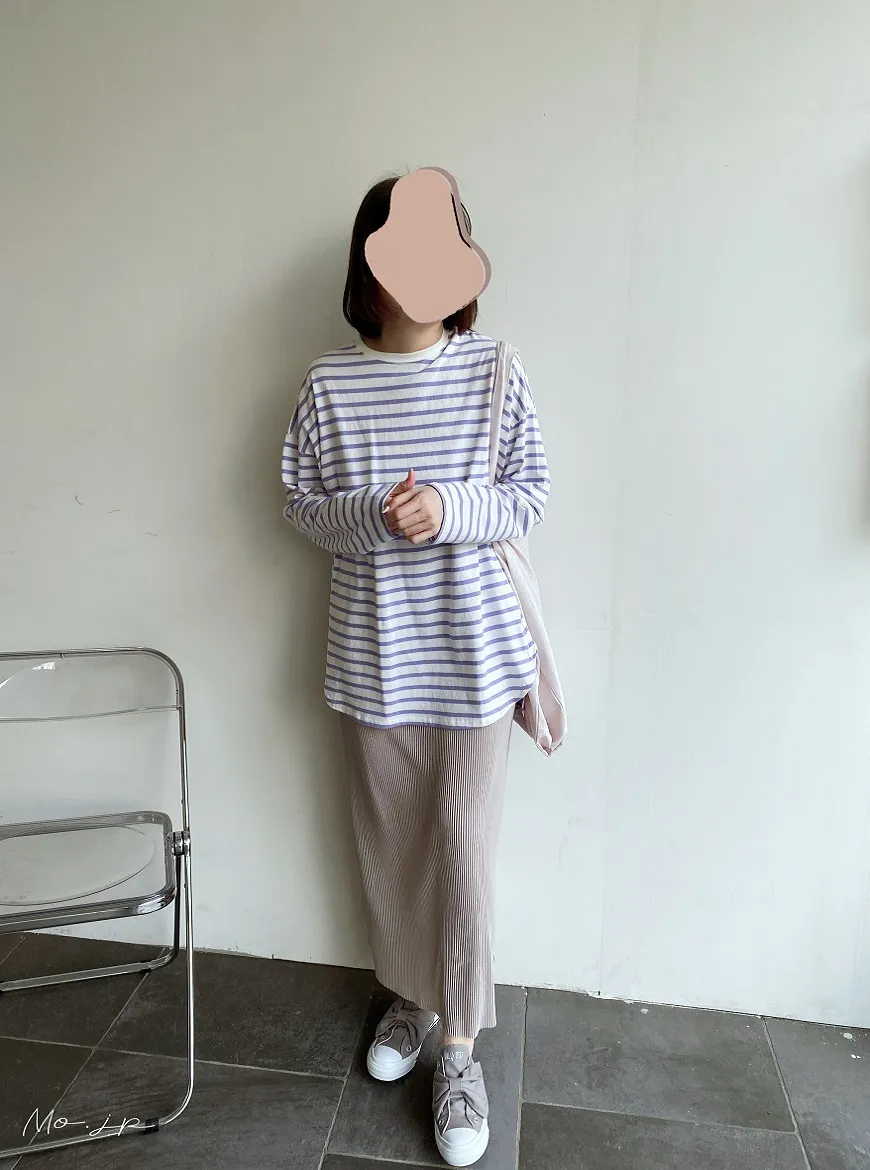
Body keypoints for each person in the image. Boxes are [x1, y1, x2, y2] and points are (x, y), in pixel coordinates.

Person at [281, 175, 550, 1168]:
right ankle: (409, 996)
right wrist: (369, 514)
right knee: (391, 849)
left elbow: (529, 494)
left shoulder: (495, 370)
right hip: (374, 661)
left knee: (463, 852)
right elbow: (300, 506)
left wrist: (449, 507)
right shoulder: (328, 384)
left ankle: (461, 1047)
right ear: (369, 264)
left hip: (475, 663)